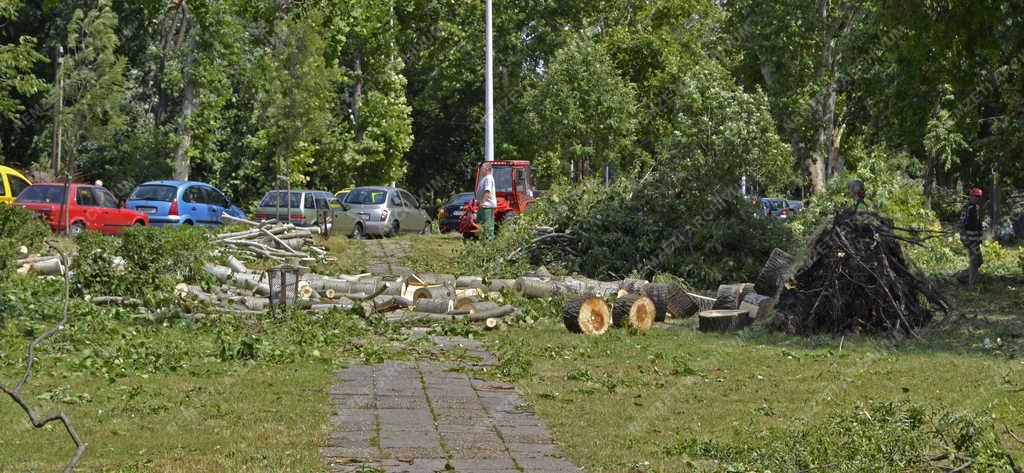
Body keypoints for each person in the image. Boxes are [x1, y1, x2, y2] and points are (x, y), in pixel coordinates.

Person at [958, 187, 984, 285]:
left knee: (979, 261)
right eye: (975, 196)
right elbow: (961, 225)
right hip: (970, 240)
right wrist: (966, 240)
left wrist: (980, 238)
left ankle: (961, 277)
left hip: (976, 240)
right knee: (974, 262)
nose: (977, 198)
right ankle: (971, 285)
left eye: (979, 196)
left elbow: (978, 226)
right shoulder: (967, 208)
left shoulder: (977, 208)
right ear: (971, 196)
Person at [476, 165, 497, 240]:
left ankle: (489, 240)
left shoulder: (488, 178)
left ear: (487, 169)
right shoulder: (485, 178)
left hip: (486, 206)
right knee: (480, 223)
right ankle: (482, 239)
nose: (481, 170)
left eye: (482, 169)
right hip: (483, 205)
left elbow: (487, 191)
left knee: (487, 224)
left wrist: (482, 202)